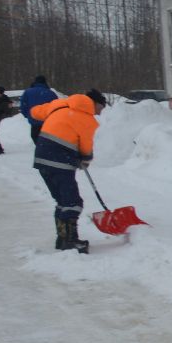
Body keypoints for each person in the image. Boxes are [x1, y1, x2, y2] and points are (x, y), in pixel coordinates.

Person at [31, 88, 107, 253]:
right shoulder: (87, 120)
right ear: (94, 103)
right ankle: (69, 241)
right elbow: (86, 146)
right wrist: (86, 159)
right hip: (61, 161)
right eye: (100, 108)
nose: (100, 113)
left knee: (62, 200)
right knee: (72, 202)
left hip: (42, 157)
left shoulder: (61, 104)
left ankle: (62, 238)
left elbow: (36, 111)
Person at [18, 75, 57, 145]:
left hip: (34, 120)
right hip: (47, 121)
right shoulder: (51, 93)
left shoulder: (27, 92)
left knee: (35, 137)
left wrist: (27, 115)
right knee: (47, 139)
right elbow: (56, 107)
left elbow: (23, 106)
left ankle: (40, 148)